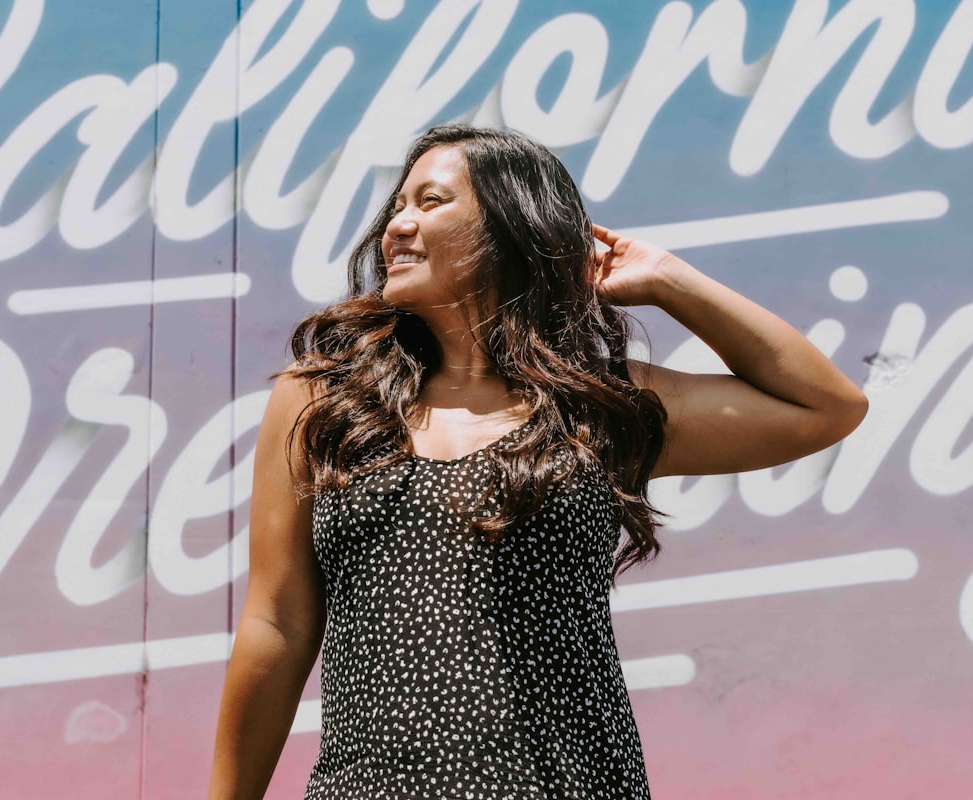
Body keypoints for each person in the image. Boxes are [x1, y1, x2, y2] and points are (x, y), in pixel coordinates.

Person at [207, 125, 867, 800]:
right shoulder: (322, 399)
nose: (397, 226)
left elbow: (825, 407)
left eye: (429, 202)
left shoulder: (600, 406)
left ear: (510, 228)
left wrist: (669, 280)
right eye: (397, 207)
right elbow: (276, 623)